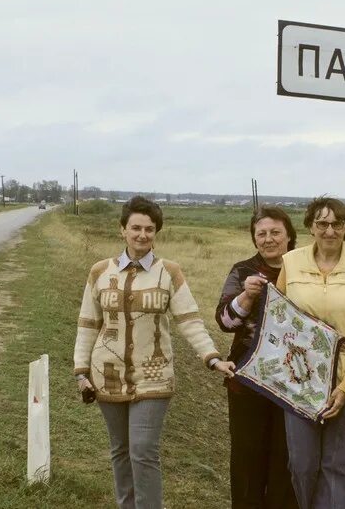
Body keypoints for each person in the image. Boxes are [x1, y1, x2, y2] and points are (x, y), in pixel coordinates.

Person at [73, 196, 235, 509]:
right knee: (120, 450)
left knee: (143, 450)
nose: (142, 235)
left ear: (156, 232)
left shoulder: (169, 273)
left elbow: (190, 322)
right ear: (123, 230)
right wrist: (81, 371)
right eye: (136, 228)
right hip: (106, 375)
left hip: (154, 376)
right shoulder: (99, 272)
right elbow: (87, 325)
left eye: (149, 229)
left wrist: (212, 358)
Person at [275, 197, 345, 509]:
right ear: (311, 227)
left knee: (336, 464)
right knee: (302, 463)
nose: (329, 230)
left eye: (337, 224)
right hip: (300, 378)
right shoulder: (291, 262)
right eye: (322, 223)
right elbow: (278, 316)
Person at [215, 205, 299, 509]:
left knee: (286, 459)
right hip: (247, 380)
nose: (268, 239)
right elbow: (224, 322)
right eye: (261, 233)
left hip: (294, 383)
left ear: (289, 235)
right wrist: (246, 296)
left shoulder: (305, 269)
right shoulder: (243, 270)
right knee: (247, 457)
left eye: (275, 232)